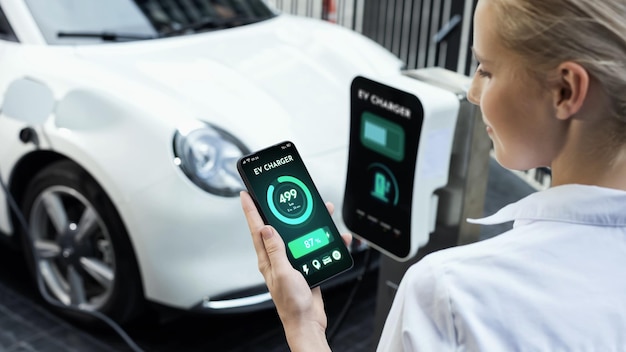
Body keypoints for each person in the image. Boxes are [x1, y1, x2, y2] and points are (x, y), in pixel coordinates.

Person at [240, 0, 626, 350]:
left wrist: (302, 322)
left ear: (565, 89)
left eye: (486, 70)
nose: (473, 92)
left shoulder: (450, 292)